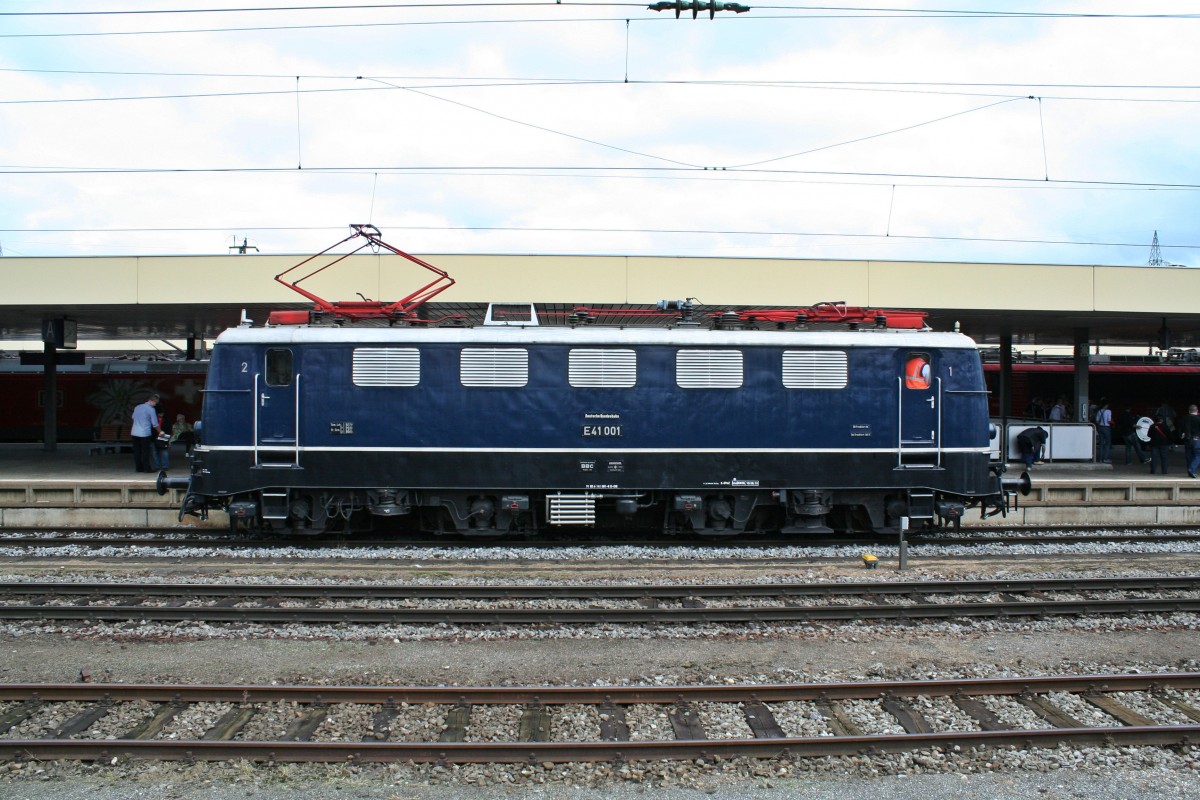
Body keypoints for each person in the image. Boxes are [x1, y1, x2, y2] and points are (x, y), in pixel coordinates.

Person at [130, 393, 162, 473]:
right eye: (155, 403)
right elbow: (155, 423)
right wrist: (160, 431)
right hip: (145, 433)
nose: (155, 405)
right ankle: (147, 468)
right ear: (152, 401)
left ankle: (138, 468)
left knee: (137, 451)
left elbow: (133, 417)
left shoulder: (137, 407)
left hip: (134, 432)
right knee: (145, 451)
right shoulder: (151, 409)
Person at [1094, 398, 1112, 463]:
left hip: (1100, 427)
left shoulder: (1099, 411)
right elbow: (1109, 421)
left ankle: (1101, 459)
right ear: (1107, 405)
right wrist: (1112, 422)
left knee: (1101, 444)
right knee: (1107, 444)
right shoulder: (1108, 411)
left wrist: (1100, 424)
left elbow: (1096, 420)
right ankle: (1105, 458)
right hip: (1106, 428)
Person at [1184, 405, 1200, 478]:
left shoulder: (1184, 418)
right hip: (1196, 439)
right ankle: (1192, 469)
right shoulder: (1198, 419)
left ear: (1189, 411)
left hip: (1187, 440)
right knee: (1198, 455)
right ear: (1197, 411)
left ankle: (1189, 471)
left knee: (1189, 456)